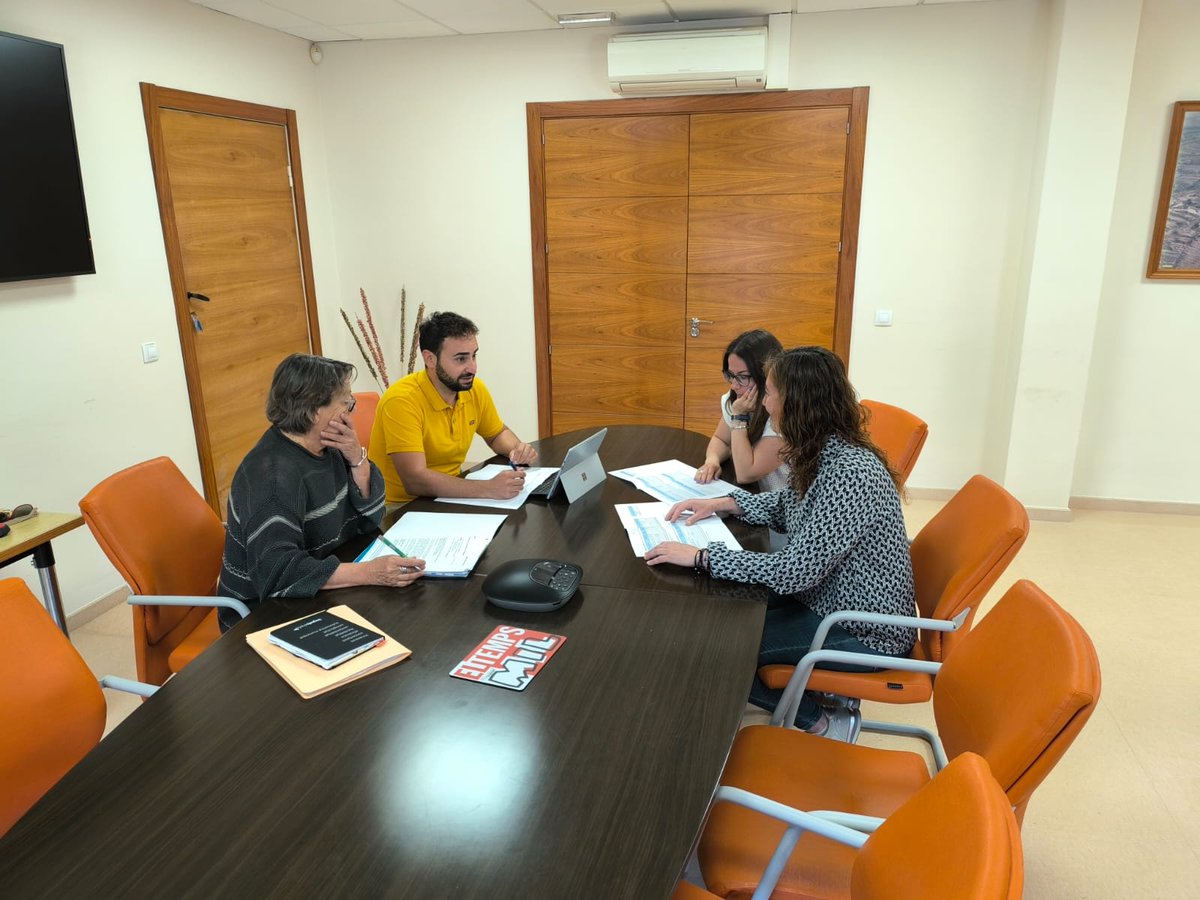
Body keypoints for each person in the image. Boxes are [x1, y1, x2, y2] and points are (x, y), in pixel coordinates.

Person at [644, 346, 916, 738]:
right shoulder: (825, 450)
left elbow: (795, 571)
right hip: (827, 596)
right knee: (720, 617)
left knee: (720, 650)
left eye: (771, 393)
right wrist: (728, 503)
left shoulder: (848, 472)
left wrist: (704, 557)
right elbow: (788, 504)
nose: (764, 403)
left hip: (863, 628)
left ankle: (821, 723)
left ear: (799, 403)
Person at [217, 354, 425, 629]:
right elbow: (278, 573)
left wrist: (357, 459)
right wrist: (368, 573)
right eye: (346, 402)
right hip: (265, 616)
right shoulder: (271, 476)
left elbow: (371, 517)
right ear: (315, 410)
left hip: (321, 583)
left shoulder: (330, 444)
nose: (351, 410)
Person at [368, 311, 537, 505]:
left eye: (474, 356)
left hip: (451, 494)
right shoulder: (401, 401)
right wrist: (488, 489)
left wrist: (516, 450)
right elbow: (415, 481)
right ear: (430, 359)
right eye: (461, 359)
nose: (472, 367)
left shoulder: (473, 389)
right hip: (401, 507)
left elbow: (496, 434)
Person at [695, 329, 787, 493]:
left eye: (743, 377)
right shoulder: (740, 400)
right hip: (756, 495)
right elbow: (721, 439)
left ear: (766, 375)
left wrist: (739, 417)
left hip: (784, 506)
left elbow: (746, 474)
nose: (734, 385)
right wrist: (712, 460)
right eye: (731, 375)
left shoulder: (782, 414)